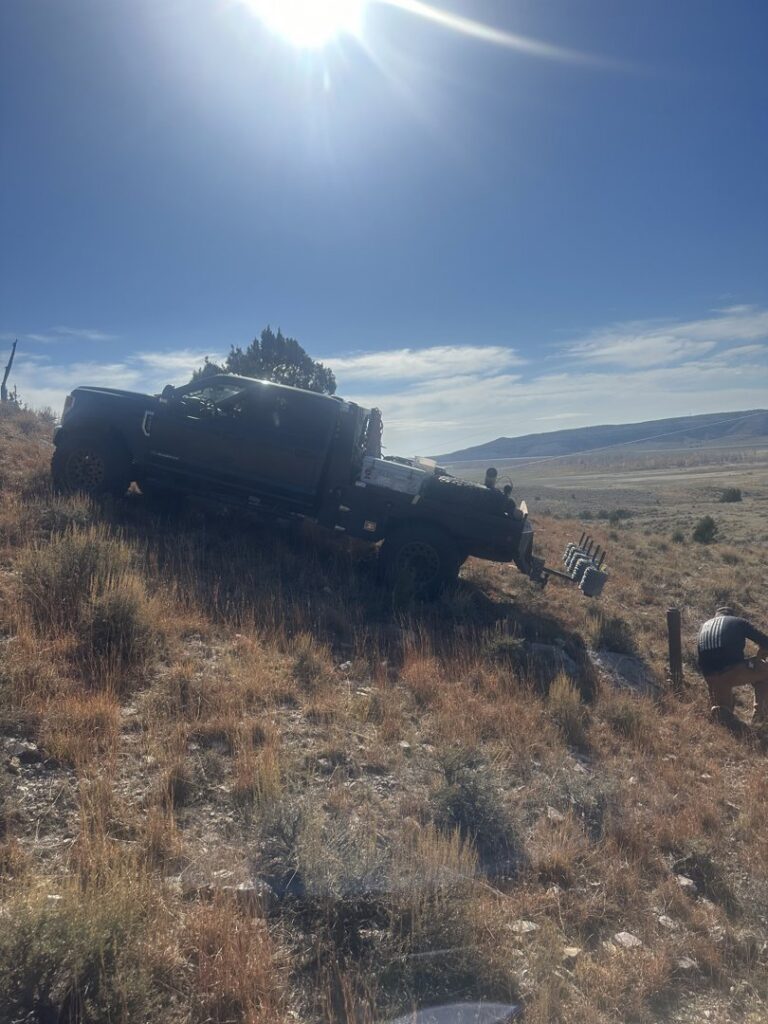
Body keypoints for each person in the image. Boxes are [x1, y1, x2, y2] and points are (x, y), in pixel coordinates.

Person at [697, 607, 768, 724]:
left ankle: (722, 711)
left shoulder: (704, 626)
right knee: (765, 672)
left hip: (710, 676)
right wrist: (762, 653)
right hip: (732, 671)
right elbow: (765, 641)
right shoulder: (738, 622)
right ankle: (760, 717)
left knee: (723, 709)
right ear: (732, 615)